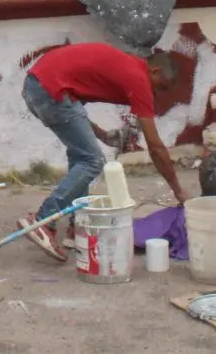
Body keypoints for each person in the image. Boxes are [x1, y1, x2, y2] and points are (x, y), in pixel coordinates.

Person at [18, 41, 191, 261]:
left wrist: (101, 134)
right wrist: (177, 189)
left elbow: (73, 106)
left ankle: (78, 226)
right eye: (161, 87)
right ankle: (43, 220)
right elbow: (155, 147)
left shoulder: (128, 66)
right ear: (154, 71)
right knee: (92, 161)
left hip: (37, 85)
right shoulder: (139, 79)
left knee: (80, 156)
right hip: (50, 89)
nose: (157, 94)